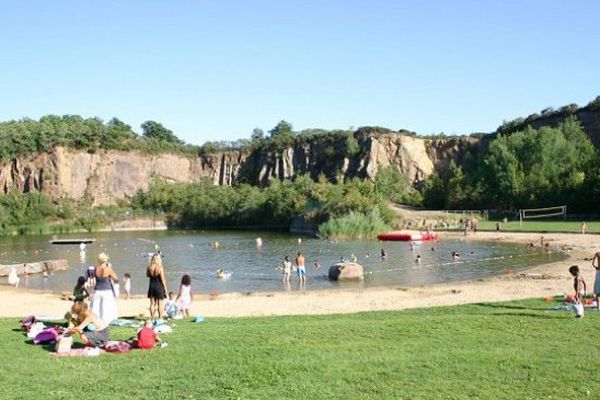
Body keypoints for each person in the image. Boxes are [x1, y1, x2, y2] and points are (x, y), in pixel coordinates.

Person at [89, 253, 118, 324]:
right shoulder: (108, 269)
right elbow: (116, 279)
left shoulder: (95, 269)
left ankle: (95, 321)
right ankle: (106, 322)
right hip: (106, 290)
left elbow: (92, 278)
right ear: (106, 260)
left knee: (95, 307)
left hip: (97, 290)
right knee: (107, 307)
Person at [147, 253, 168, 320]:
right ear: (159, 259)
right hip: (159, 286)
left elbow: (147, 275)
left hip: (151, 286)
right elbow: (163, 279)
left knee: (152, 303)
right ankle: (160, 317)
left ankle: (152, 317)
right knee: (160, 303)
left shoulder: (149, 267)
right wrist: (165, 288)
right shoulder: (160, 267)